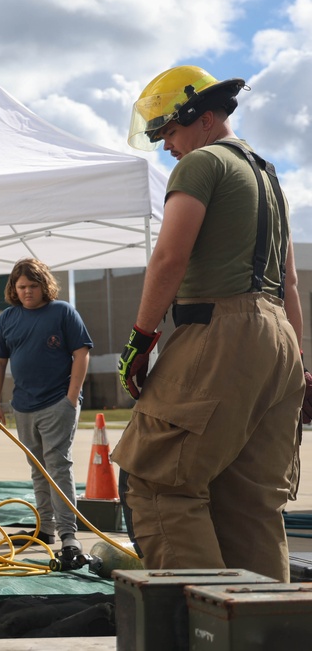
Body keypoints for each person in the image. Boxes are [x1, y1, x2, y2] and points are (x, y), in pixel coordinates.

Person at [112, 65, 304, 582]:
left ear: (200, 118)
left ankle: (197, 627)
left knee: (157, 482)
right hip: (277, 339)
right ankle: (265, 631)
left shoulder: (203, 165)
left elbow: (169, 257)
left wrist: (141, 341)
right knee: (250, 504)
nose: (167, 146)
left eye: (169, 132)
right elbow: (288, 283)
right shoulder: (268, 177)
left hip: (221, 329)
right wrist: (296, 366)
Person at [0, 258, 92, 552]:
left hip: (57, 402)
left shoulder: (62, 312)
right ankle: (45, 529)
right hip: (23, 405)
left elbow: (81, 353)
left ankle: (68, 535)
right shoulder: (7, 318)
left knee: (57, 466)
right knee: (37, 468)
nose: (27, 292)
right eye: (21, 287)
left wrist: (71, 397)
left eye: (33, 286)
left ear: (44, 286)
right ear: (14, 288)